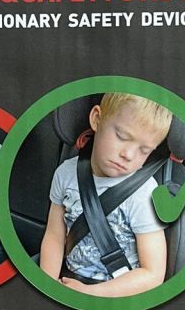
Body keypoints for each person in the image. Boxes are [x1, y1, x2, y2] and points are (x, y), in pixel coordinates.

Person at [39, 93, 171, 297]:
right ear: (96, 119)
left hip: (117, 295)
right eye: (122, 136)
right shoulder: (65, 174)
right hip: (70, 282)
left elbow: (152, 274)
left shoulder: (144, 193)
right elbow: (55, 236)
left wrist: (90, 294)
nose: (128, 155)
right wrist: (47, 286)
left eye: (144, 151)